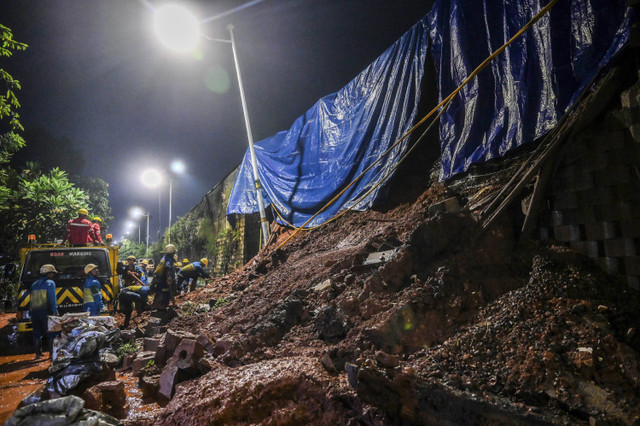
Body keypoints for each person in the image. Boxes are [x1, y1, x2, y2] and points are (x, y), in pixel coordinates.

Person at [26, 264, 59, 359]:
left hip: (35, 311)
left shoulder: (34, 284)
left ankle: (38, 354)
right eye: (52, 273)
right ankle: (52, 355)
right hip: (46, 311)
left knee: (37, 333)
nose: (53, 275)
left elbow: (31, 299)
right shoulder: (50, 283)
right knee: (51, 332)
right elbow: (52, 299)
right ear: (48, 273)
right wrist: (55, 311)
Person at [152, 244, 177, 308]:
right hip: (163, 280)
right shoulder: (169, 259)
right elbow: (167, 268)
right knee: (165, 294)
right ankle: (161, 309)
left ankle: (157, 307)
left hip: (159, 279)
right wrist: (169, 278)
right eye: (174, 252)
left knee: (160, 294)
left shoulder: (164, 258)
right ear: (172, 252)